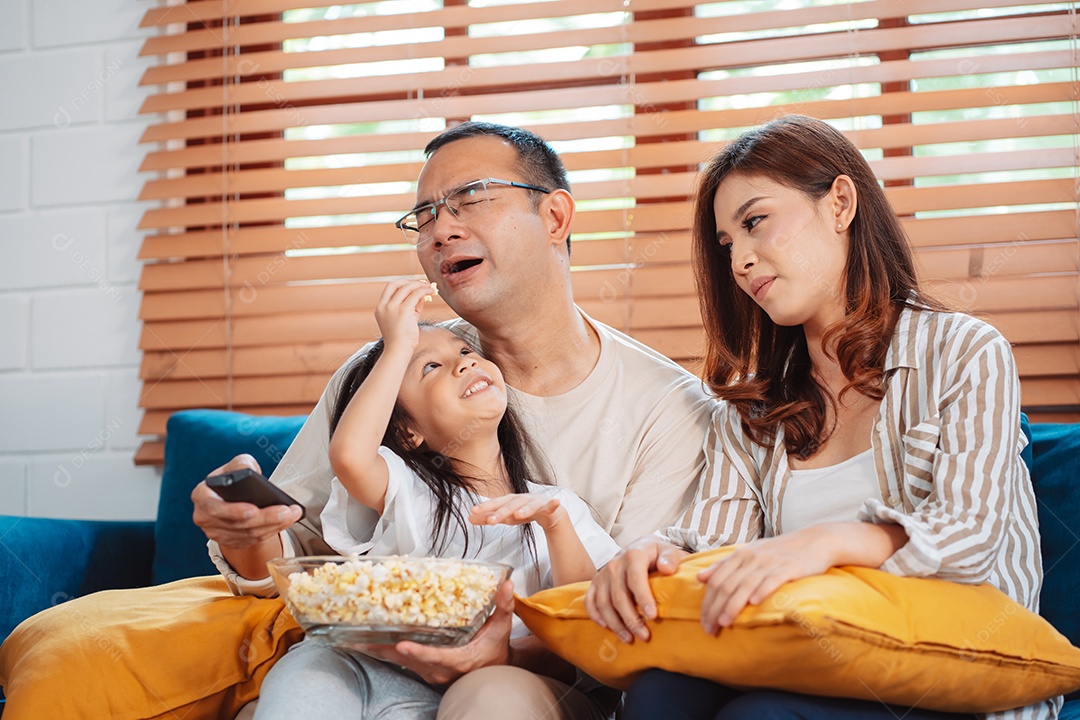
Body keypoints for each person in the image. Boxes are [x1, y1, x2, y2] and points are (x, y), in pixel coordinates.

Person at [192, 121, 715, 720]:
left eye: (471, 198)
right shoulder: (384, 374)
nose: (441, 230)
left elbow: (618, 625)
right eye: (425, 216)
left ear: (555, 217)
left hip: (541, 686)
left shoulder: (672, 410)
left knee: (491, 695)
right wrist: (245, 532)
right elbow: (294, 550)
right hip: (362, 664)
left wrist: (500, 655)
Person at [583, 115, 1052, 720]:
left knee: (761, 717)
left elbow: (971, 537)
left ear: (840, 203)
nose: (740, 260)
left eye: (755, 222)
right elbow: (712, 548)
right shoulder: (750, 413)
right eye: (727, 246)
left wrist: (826, 543)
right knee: (657, 694)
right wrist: (651, 553)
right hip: (810, 660)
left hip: (951, 674)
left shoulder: (964, 351)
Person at [253, 278, 620, 718]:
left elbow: (582, 615)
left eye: (464, 352)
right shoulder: (405, 487)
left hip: (476, 685)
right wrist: (397, 346)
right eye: (430, 367)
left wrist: (556, 526)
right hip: (361, 665)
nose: (463, 364)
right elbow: (349, 456)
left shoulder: (556, 506)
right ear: (408, 432)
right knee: (302, 682)